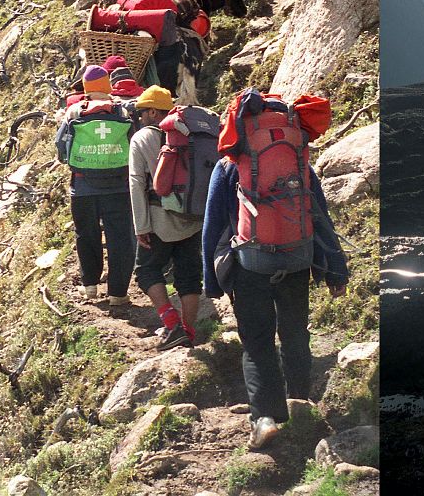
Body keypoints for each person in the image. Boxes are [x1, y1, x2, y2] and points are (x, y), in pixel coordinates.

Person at [202, 89, 349, 450]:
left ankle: (265, 418)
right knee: (296, 331)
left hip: (251, 262)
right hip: (298, 257)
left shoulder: (229, 165)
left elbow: (212, 226)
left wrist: (212, 281)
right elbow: (319, 216)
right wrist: (335, 269)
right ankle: (300, 400)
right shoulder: (299, 162)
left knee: (256, 342)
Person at [128, 86, 207, 350]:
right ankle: (189, 332)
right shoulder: (190, 133)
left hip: (158, 219)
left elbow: (136, 183)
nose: (139, 117)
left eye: (142, 112)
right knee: (190, 276)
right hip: (193, 217)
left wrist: (141, 225)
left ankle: (172, 325)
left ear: (153, 111)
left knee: (146, 271)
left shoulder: (142, 138)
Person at [53, 65, 136, 307]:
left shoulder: (74, 112)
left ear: (87, 88)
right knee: (120, 238)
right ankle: (118, 293)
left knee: (86, 235)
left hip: (83, 187)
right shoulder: (122, 112)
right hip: (118, 187)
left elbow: (61, 148)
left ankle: (90, 287)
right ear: (108, 86)